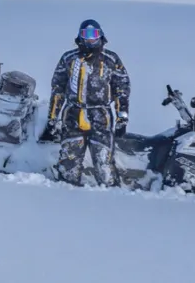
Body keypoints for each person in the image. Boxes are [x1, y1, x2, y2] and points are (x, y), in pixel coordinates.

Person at [46, 18, 131, 187]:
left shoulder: (111, 59)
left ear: (100, 36)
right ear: (80, 36)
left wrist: (122, 118)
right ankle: (65, 198)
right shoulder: (69, 58)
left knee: (104, 164)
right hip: (73, 116)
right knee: (69, 164)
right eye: (86, 34)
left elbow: (121, 89)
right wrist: (53, 118)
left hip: (101, 116)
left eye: (94, 34)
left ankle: (111, 198)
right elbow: (58, 89)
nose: (90, 39)